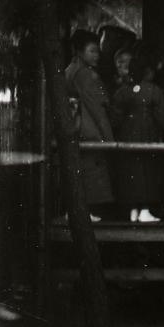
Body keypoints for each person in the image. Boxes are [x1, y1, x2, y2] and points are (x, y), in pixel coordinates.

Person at [110, 52, 164, 222]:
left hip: (127, 134)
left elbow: (114, 118)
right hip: (148, 133)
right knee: (147, 170)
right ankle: (144, 209)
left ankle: (133, 210)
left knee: (130, 170)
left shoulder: (122, 91)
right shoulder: (153, 90)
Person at [64, 30, 115, 221]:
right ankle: (85, 211)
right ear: (79, 51)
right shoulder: (86, 75)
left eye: (97, 51)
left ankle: (77, 210)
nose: (97, 55)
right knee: (91, 172)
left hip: (75, 128)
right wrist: (109, 138)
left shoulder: (70, 70)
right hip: (89, 128)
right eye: (92, 51)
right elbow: (97, 108)